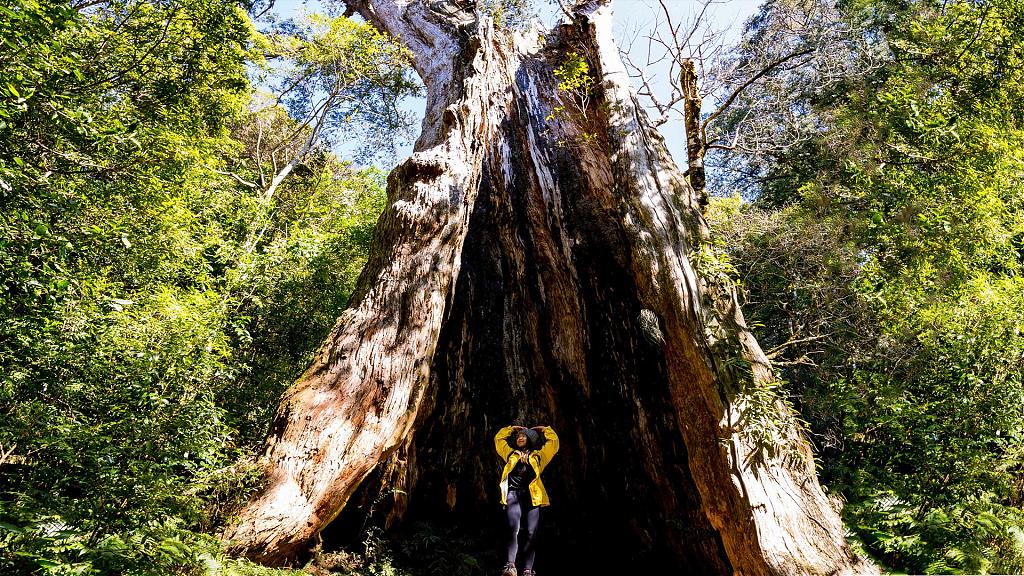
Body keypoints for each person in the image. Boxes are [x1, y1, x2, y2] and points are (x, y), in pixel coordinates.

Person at [493, 424, 560, 576]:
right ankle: (510, 567)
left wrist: (545, 430)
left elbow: (554, 443)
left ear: (530, 439)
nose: (520, 437)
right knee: (512, 529)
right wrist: (511, 429)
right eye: (519, 436)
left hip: (533, 497)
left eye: (524, 436)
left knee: (531, 532)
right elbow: (498, 439)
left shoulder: (539, 456)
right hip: (512, 494)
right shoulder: (510, 454)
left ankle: (528, 570)